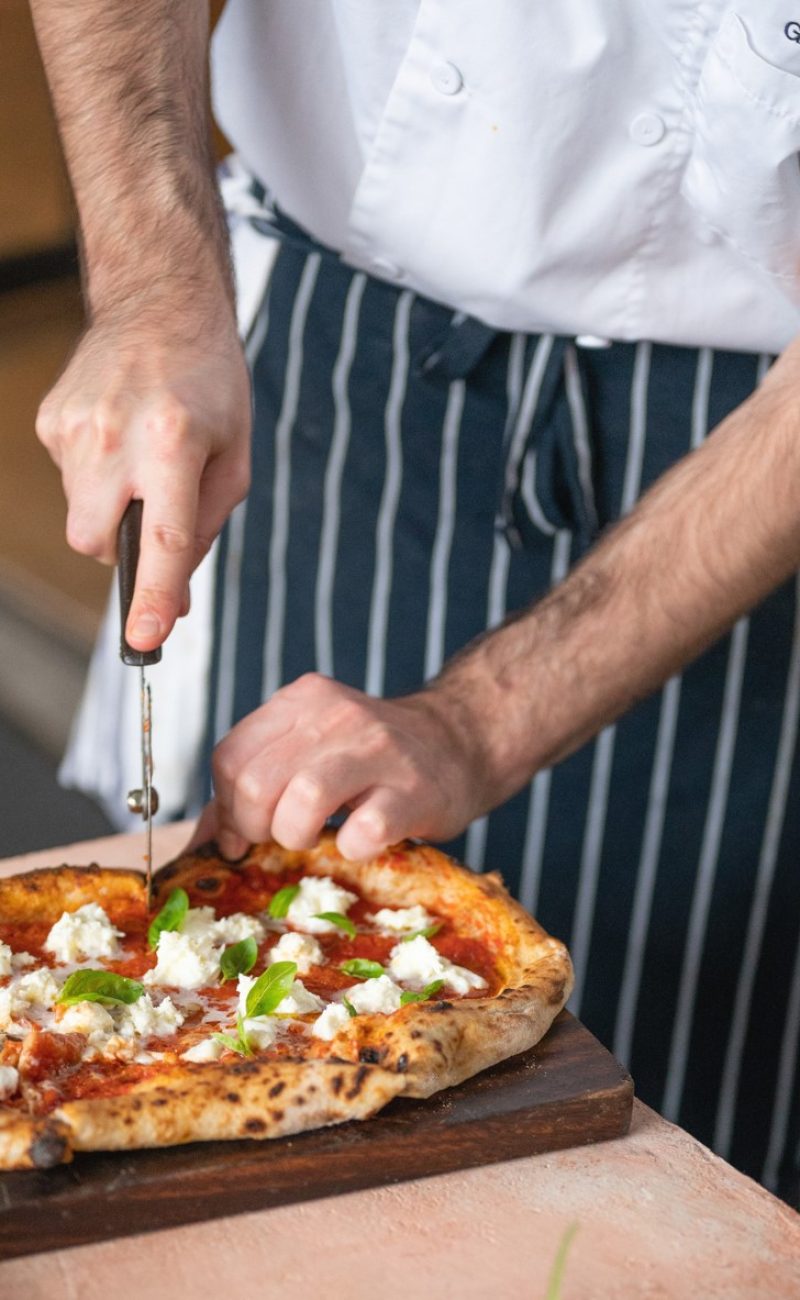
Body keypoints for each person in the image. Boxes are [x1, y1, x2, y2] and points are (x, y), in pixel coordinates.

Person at [30, 1, 800, 1199]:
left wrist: (479, 719)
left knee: (687, 1148)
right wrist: (153, 278)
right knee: (250, 917)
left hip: (758, 466)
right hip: (360, 353)